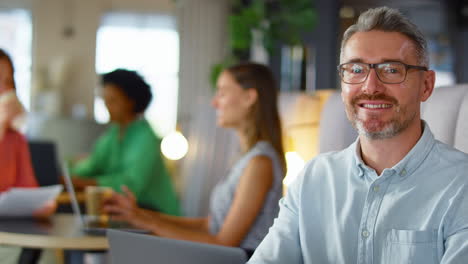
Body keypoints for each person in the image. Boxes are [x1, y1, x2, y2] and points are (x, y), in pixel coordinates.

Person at [247, 7, 468, 264]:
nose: (371, 87)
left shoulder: (461, 185)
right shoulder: (313, 179)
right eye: (356, 70)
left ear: (426, 86)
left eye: (391, 70)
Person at [104, 63, 286, 257]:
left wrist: (148, 222)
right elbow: (210, 225)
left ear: (249, 97)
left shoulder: (260, 163)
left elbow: (224, 242)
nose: (214, 103)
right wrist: (140, 215)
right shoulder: (247, 158)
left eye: (222, 93)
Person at [69, 69, 180, 215]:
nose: (107, 107)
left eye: (113, 101)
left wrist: (85, 183)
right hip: (129, 209)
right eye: (105, 101)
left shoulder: (145, 137)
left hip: (154, 212)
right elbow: (93, 164)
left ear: (131, 101)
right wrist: (67, 174)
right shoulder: (114, 133)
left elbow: (131, 185)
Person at [0, 48, 56, 218]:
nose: (4, 88)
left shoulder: (15, 137)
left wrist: (44, 204)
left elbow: (27, 187)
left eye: (8, 81)